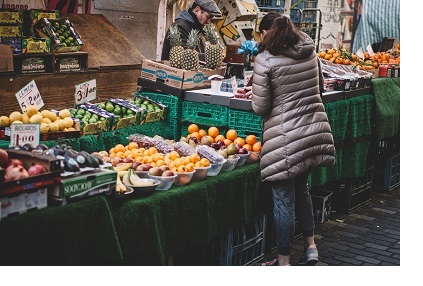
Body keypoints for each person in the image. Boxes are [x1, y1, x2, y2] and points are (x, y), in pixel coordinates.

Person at [250, 12, 336, 266]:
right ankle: (311, 247)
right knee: (302, 191)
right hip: (312, 132)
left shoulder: (265, 60)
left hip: (286, 139)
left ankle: (284, 261)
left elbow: (260, 106)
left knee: (283, 200)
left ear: (266, 33)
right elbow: (320, 86)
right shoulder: (309, 50)